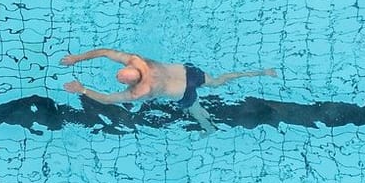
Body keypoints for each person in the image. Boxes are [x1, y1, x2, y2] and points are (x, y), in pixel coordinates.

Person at [60, 48, 277, 130]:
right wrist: (77, 58)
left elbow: (107, 100)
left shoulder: (140, 92)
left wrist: (83, 90)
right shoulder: (139, 59)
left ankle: (210, 131)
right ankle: (262, 72)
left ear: (129, 81)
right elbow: (106, 51)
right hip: (188, 72)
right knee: (218, 81)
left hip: (184, 92)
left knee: (198, 114)